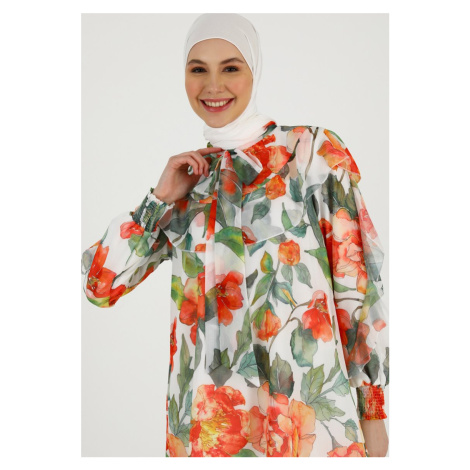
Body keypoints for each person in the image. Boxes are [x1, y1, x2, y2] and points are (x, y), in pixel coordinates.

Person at [82, 13, 389, 458]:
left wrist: (373, 412)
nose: (213, 85)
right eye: (198, 69)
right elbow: (99, 286)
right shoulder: (190, 181)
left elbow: (356, 286)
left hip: (306, 425)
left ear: (254, 70)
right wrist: (158, 199)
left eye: (230, 67)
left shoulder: (310, 152)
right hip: (207, 432)